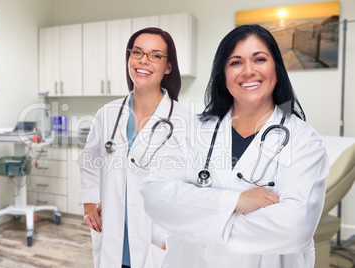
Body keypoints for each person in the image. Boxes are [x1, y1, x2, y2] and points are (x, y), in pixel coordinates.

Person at [140, 24, 329, 268]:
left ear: (277, 69)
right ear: (223, 75)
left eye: (259, 59)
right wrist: (235, 202)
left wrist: (195, 214)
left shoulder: (304, 141)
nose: (248, 71)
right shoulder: (191, 130)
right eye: (236, 62)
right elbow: (155, 197)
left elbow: (294, 227)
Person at [78, 27, 191, 268]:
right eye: (137, 52)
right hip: (112, 237)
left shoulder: (186, 121)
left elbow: (192, 189)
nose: (143, 60)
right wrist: (89, 204)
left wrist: (173, 241)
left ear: (168, 66)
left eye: (155, 55)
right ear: (129, 58)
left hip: (156, 241)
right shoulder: (107, 114)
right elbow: (89, 161)